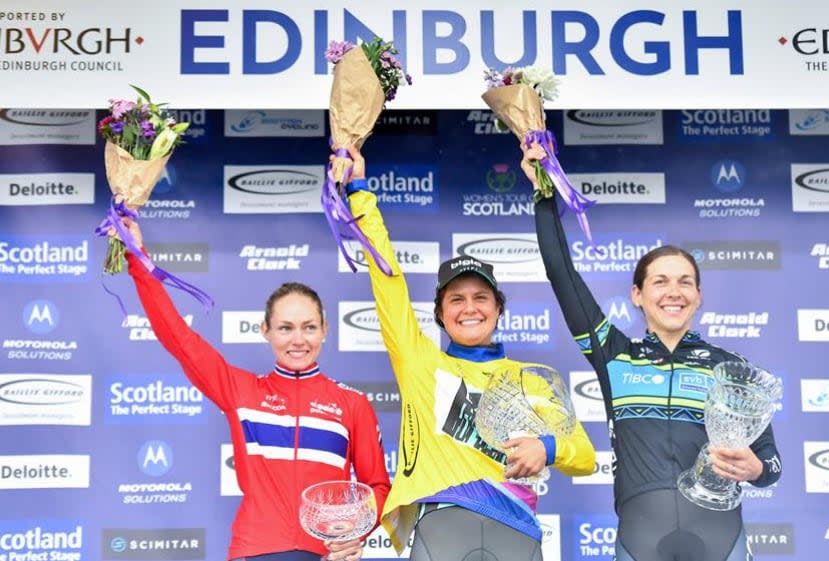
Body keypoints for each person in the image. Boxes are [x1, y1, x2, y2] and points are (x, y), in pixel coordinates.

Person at [522, 144, 781, 561]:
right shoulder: (615, 355)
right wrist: (544, 194)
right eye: (659, 282)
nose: (673, 292)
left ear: (698, 296)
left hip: (722, 536)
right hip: (640, 539)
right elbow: (561, 274)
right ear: (637, 295)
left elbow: (770, 464)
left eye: (684, 282)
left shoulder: (729, 371)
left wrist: (755, 469)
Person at [339, 144, 596, 561]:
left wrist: (545, 449)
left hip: (518, 531)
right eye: (456, 300)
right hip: (441, 529)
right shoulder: (421, 362)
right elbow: (386, 278)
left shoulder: (534, 376)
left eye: (481, 297)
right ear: (440, 314)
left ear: (498, 308)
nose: (470, 308)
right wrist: (359, 190)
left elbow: (583, 456)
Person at [121, 217, 391, 561]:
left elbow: (379, 488)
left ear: (325, 329)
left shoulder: (352, 403)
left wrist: (352, 533)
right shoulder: (240, 391)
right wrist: (137, 257)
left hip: (326, 555)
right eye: (285, 328)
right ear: (265, 330)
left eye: (309, 327)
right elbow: (178, 337)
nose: (298, 340)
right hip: (254, 550)